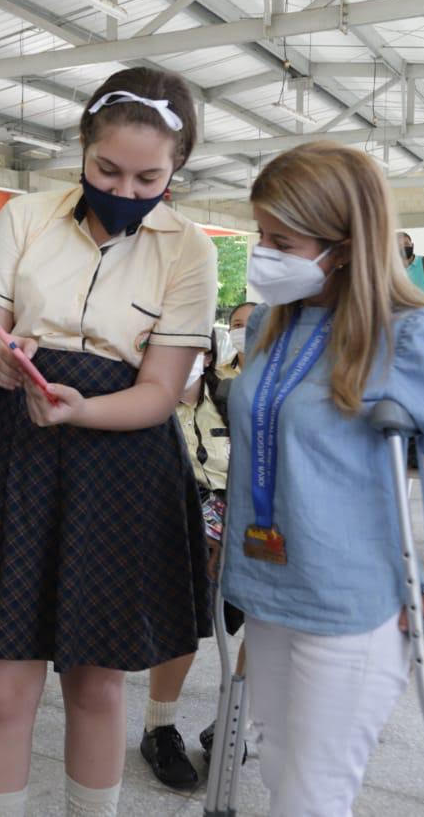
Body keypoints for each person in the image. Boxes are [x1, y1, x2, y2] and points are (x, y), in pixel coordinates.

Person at [0, 67, 216, 816]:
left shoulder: (189, 249)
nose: (125, 190)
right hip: (19, 453)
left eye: (148, 177)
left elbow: (161, 392)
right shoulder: (26, 215)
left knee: (97, 681)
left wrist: (80, 411)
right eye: (107, 169)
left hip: (120, 464)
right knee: (2, 685)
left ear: (177, 169)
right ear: (81, 148)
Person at [221, 142, 424, 814]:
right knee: (280, 772)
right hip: (268, 584)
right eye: (259, 234)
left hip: (350, 604)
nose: (263, 252)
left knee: (312, 796)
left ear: (341, 245)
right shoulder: (269, 326)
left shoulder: (415, 334)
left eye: (280, 239)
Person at [141, 329, 233, 790]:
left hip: (234, 514)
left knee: (273, 600)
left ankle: (233, 720)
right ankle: (159, 726)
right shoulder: (144, 403)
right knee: (192, 583)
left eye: (194, 349)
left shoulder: (230, 400)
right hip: (169, 515)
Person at [220, 301, 256, 378]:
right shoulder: (219, 373)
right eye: (238, 325)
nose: (246, 330)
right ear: (230, 332)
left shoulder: (283, 374)